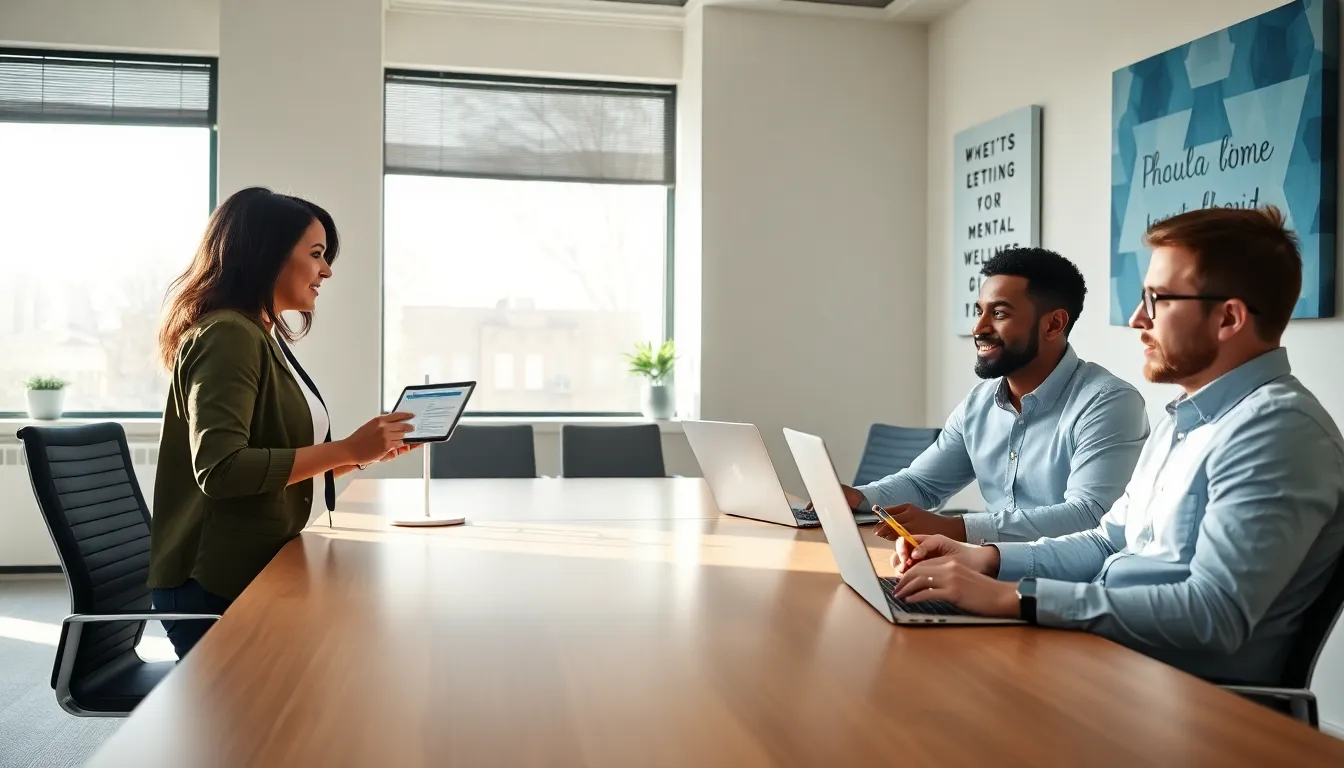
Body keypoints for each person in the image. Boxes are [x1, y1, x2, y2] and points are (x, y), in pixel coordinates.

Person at [890, 206, 1344, 685]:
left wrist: (1016, 597)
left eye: (1156, 300)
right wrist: (987, 559)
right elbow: (1107, 540)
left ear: (1228, 317)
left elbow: (1214, 615)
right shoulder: (1184, 420)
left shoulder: (1278, 432)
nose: (1136, 319)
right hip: (1109, 661)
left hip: (1175, 696)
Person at [149, 187, 416, 659]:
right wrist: (348, 449)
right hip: (214, 585)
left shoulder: (259, 335)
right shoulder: (229, 334)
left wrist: (361, 456)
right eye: (316, 254)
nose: (327, 271)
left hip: (254, 568)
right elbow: (223, 469)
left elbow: (274, 471)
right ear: (267, 254)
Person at [853, 247, 1149, 544]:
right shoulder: (978, 403)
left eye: (999, 313)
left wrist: (956, 528)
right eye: (979, 311)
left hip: (1072, 573)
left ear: (1053, 325)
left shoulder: (1108, 402)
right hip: (987, 565)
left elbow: (1090, 515)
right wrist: (856, 498)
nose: (978, 328)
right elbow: (922, 483)